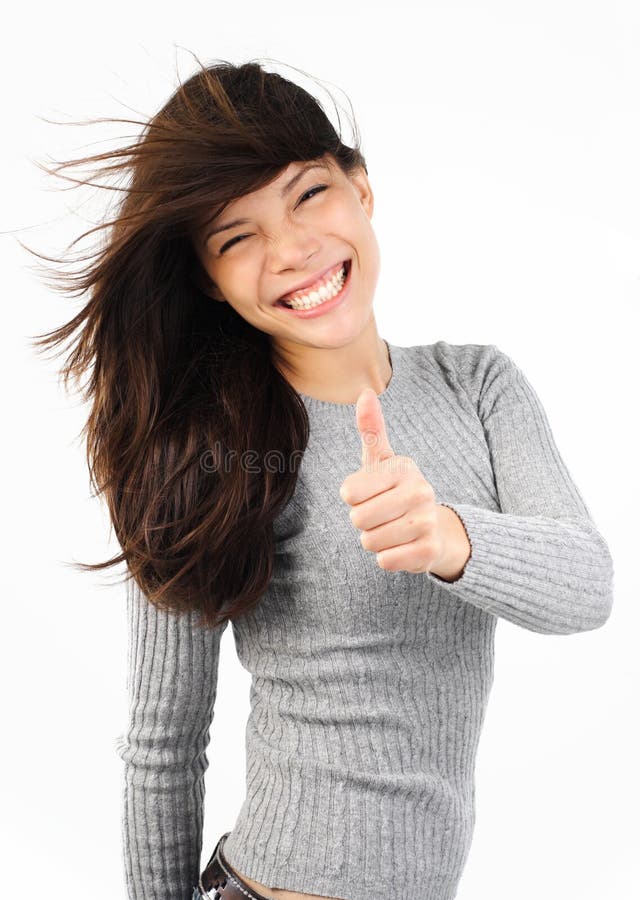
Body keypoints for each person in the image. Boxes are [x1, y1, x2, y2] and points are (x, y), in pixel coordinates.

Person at [29, 56, 615, 900]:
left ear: (362, 189)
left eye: (308, 194)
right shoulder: (209, 448)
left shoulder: (479, 385)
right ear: (210, 279)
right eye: (238, 236)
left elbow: (586, 585)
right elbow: (165, 740)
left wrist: (448, 535)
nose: (294, 250)